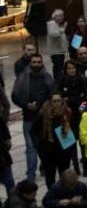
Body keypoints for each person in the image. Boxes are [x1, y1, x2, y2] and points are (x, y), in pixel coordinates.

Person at [12, 53, 54, 181]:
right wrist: (26, 105)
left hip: (44, 118)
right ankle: (30, 174)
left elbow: (53, 94)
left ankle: (44, 168)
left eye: (38, 62)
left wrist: (44, 107)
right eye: (34, 62)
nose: (36, 64)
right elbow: (15, 96)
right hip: (29, 117)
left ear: (42, 63)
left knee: (45, 145)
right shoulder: (23, 77)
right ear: (30, 63)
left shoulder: (47, 77)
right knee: (31, 147)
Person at [46, 8, 68, 79]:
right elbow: (53, 35)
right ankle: (58, 80)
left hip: (60, 51)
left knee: (60, 67)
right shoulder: (51, 24)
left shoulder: (57, 24)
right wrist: (63, 29)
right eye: (61, 16)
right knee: (58, 67)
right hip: (56, 52)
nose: (62, 18)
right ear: (56, 16)